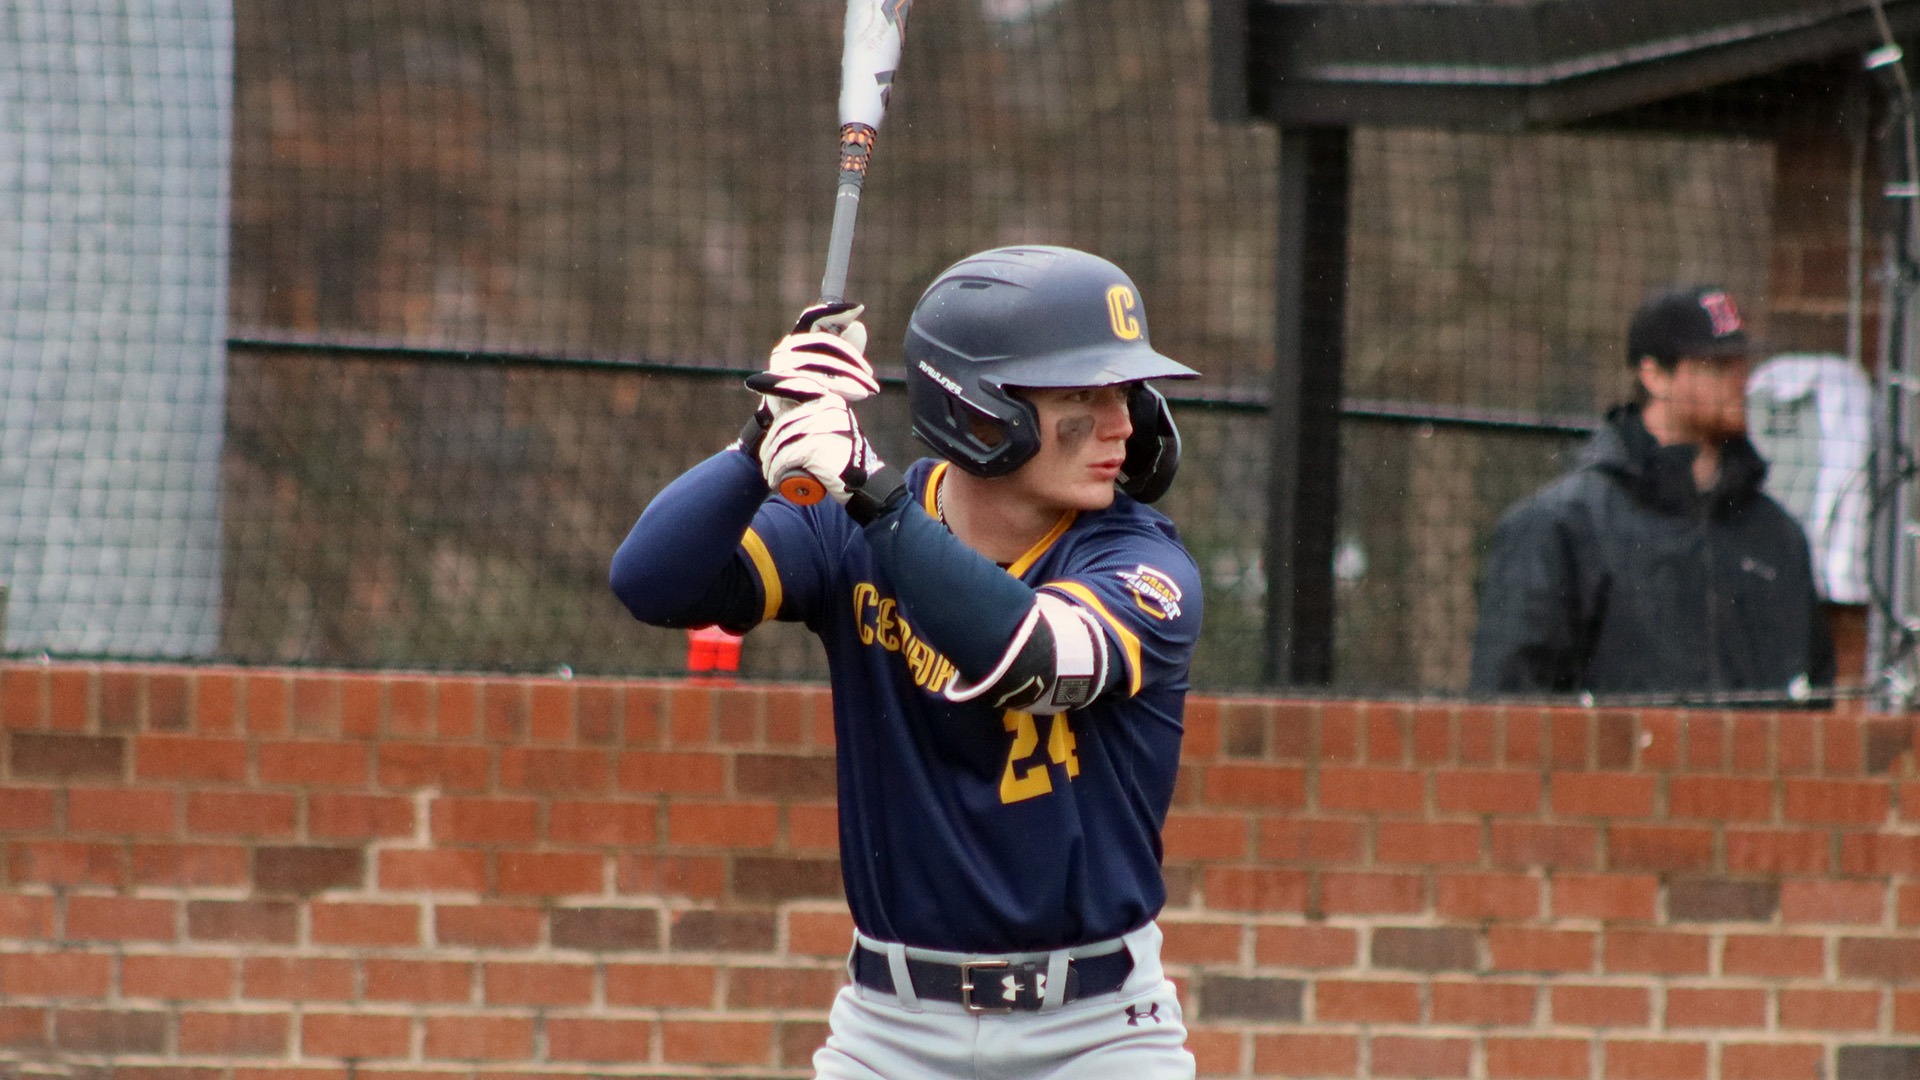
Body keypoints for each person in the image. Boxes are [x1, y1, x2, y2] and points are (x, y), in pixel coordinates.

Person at [610, 245, 1204, 1077]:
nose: (1123, 424)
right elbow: (652, 583)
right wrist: (763, 435)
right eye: (1084, 394)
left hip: (1098, 1034)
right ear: (981, 409)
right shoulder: (848, 530)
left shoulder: (1143, 564)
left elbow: (1028, 656)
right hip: (888, 1033)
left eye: (1126, 394)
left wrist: (866, 486)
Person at [1469, 284, 1835, 699]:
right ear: (1655, 376)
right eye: (1716, 366)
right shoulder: (1565, 525)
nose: (1739, 383)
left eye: (1741, 366)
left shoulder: (1778, 536)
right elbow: (1509, 702)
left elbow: (1814, 695)